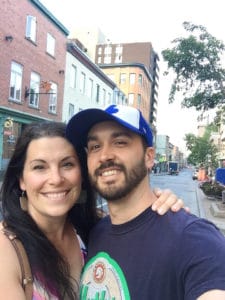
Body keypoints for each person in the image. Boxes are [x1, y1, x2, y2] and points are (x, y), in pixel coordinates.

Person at [0, 121, 185, 299]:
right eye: (39, 167)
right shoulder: (7, 249)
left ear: (82, 174)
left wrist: (168, 213)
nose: (56, 179)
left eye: (67, 164)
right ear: (21, 179)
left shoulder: (93, 229)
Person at [66, 104, 225, 300]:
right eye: (95, 147)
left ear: (149, 157)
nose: (104, 155)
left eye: (120, 142)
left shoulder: (194, 239)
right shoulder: (96, 232)